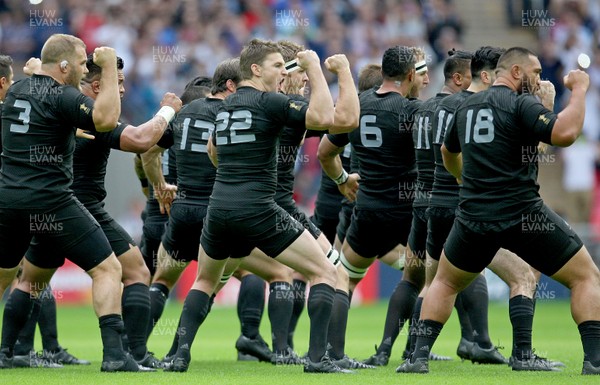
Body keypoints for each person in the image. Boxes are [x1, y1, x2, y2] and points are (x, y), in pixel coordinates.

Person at [397, 47, 600, 376]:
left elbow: (448, 153)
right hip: (523, 214)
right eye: (534, 74)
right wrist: (578, 90)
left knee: (443, 284)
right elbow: (564, 133)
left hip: (474, 216)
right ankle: (593, 360)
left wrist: (464, 178)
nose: (537, 81)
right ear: (516, 72)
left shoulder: (467, 105)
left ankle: (418, 358)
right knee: (585, 276)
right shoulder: (521, 103)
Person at [164, 38, 359, 374]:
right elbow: (326, 116)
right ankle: (317, 360)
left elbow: (213, 150)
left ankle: (178, 355)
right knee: (324, 272)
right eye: (277, 66)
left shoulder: (225, 106)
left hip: (219, 209)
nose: (283, 72)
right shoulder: (270, 102)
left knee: (205, 282)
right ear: (255, 69)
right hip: (259, 209)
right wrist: (315, 66)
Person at [0, 33, 142, 372]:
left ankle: (5, 352)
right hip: (51, 200)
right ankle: (115, 356)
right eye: (80, 63)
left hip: (7, 198)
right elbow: (106, 120)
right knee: (108, 269)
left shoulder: (17, 90)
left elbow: (39, 109)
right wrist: (107, 67)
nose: (83, 69)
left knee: (6, 276)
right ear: (64, 66)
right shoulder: (62, 96)